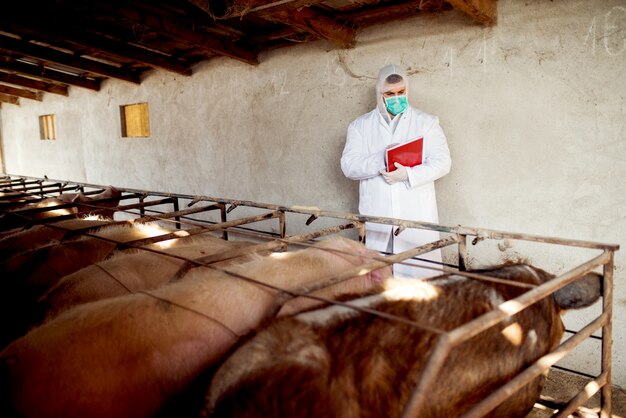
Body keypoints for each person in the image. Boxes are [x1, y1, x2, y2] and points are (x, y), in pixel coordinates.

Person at [340, 64, 451, 278]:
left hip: (415, 211)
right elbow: (349, 166)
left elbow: (443, 162)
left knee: (420, 276)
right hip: (377, 212)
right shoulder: (360, 126)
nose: (396, 98)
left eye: (401, 92)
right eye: (389, 94)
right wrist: (381, 159)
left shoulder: (426, 123)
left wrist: (408, 175)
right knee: (378, 274)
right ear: (379, 94)